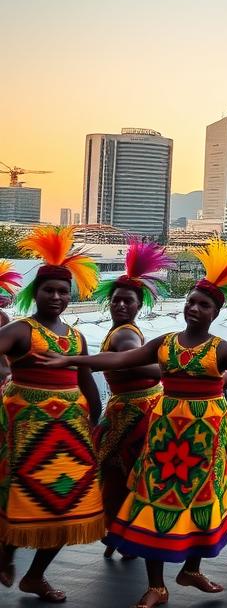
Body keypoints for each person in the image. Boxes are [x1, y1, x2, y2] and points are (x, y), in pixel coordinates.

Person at [40, 240, 227, 608]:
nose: (194, 308)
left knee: (203, 501)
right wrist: (68, 362)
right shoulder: (164, 343)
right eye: (191, 302)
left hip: (207, 438)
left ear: (215, 312)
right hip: (165, 435)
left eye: (204, 305)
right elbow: (118, 361)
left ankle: (191, 570)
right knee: (153, 502)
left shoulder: (222, 350)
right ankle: (157, 586)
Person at [0, 228, 103, 603]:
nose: (57, 297)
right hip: (24, 431)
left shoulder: (77, 337)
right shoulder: (20, 330)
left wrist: (95, 421)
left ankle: (35, 576)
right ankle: (6, 556)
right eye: (49, 290)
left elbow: (87, 382)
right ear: (35, 293)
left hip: (71, 437)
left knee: (70, 506)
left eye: (63, 291)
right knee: (18, 500)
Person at [91, 241, 172, 559]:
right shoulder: (126, 335)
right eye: (117, 299)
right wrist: (173, 366)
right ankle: (123, 532)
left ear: (139, 305)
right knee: (126, 476)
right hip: (133, 415)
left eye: (128, 301)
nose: (121, 305)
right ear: (108, 302)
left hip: (136, 415)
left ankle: (120, 532)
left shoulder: (125, 332)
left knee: (125, 476)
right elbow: (129, 361)